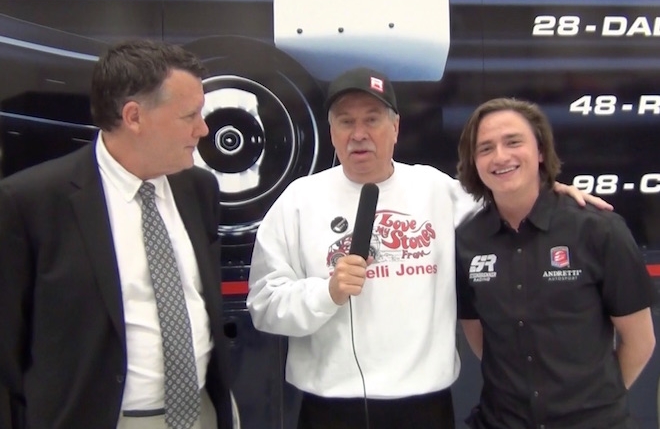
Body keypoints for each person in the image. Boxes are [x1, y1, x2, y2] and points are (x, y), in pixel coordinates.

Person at [246, 67, 610, 429]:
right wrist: (327, 293)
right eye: (346, 122)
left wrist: (549, 191)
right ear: (332, 132)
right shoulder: (298, 201)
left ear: (395, 128)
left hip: (424, 408)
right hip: (331, 410)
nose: (359, 134)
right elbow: (264, 305)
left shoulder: (436, 189)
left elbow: (508, 204)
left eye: (372, 119)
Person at [0, 40, 233, 429]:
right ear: (134, 117)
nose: (203, 128)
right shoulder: (31, 201)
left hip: (200, 412)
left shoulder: (199, 188)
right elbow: (8, 347)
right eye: (189, 115)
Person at [455, 97, 656, 429]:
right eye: (485, 148)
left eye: (513, 142)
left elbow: (640, 341)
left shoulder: (599, 229)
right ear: (474, 162)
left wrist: (592, 406)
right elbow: (480, 339)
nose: (500, 156)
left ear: (540, 151)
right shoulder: (466, 240)